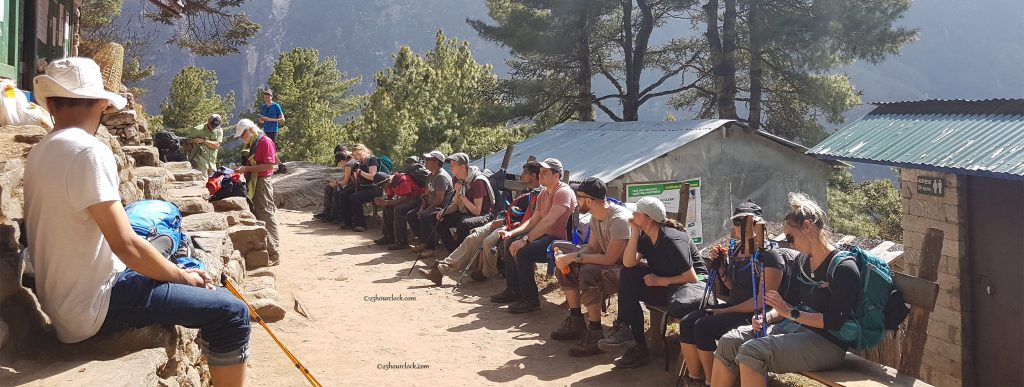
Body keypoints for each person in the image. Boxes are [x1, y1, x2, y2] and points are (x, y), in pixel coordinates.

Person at [25, 57, 250, 386]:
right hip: (94, 306)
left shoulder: (40, 151)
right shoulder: (88, 151)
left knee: (169, 257)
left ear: (50, 103)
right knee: (232, 313)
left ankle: (170, 264)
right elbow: (125, 244)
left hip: (63, 301)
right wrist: (181, 278)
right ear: (102, 104)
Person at [711, 193, 861, 387]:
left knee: (752, 351)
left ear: (807, 227)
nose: (789, 244)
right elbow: (787, 305)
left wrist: (789, 313)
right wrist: (769, 317)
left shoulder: (844, 268)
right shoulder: (802, 262)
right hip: (796, 330)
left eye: (790, 237)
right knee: (729, 342)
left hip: (828, 343)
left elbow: (835, 321)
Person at [677, 201, 789, 383]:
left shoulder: (769, 255)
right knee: (687, 322)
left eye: (742, 222)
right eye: (735, 222)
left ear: (756, 224)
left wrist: (724, 311)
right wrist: (720, 266)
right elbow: (731, 286)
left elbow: (763, 301)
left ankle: (712, 381)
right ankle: (695, 377)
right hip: (734, 307)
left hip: (754, 315)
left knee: (703, 326)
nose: (737, 227)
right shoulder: (736, 250)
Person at [543, 177, 632, 357]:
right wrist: (568, 258)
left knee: (589, 272)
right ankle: (576, 320)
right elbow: (592, 248)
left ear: (589, 200)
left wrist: (576, 257)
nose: (577, 201)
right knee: (566, 266)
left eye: (579, 197)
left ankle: (595, 331)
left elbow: (609, 258)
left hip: (629, 271)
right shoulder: (595, 216)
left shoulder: (619, 219)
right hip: (612, 266)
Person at [419, 161, 542, 286]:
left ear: (533, 176)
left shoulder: (539, 194)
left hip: (511, 226)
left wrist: (508, 225)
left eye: (525, 173)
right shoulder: (528, 191)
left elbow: (531, 220)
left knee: (486, 240)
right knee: (472, 237)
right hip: (504, 222)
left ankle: (487, 272)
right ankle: (440, 270)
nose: (521, 175)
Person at [492, 158, 576, 314]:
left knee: (523, 252)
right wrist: (512, 233)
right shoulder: (544, 192)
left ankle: (531, 300)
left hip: (561, 240)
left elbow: (549, 222)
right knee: (509, 241)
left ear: (556, 175)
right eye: (540, 172)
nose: (541, 175)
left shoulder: (563, 192)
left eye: (545, 172)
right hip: (547, 236)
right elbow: (533, 220)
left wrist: (525, 240)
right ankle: (514, 290)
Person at [234, 118, 281, 265]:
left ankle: (274, 253)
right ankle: (268, 250)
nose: (242, 138)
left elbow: (268, 165)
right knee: (260, 214)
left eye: (242, 134)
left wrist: (246, 169)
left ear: (249, 130)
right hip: (255, 181)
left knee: (265, 214)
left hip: (262, 182)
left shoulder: (264, 142)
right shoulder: (254, 142)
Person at [435, 153, 494, 252]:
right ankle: (453, 251)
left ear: (462, 167)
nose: (451, 168)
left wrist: (462, 195)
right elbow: (455, 206)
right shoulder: (456, 179)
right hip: (466, 211)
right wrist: (443, 212)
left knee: (464, 223)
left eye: (453, 165)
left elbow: (477, 211)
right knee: (441, 220)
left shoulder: (478, 181)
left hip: (484, 214)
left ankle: (458, 255)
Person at [406, 150, 454, 258]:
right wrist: (422, 208)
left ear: (436, 162)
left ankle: (430, 248)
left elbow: (439, 199)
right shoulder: (429, 176)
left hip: (442, 207)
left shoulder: (441, 177)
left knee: (425, 216)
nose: (425, 162)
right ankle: (424, 241)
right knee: (411, 215)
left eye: (428, 160)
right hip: (431, 205)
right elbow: (426, 195)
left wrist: (426, 211)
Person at [373, 157, 426, 246]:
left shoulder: (402, 180)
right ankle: (389, 236)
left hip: (418, 199)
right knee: (387, 208)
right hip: (410, 199)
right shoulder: (390, 185)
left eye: (382, 186)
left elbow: (406, 198)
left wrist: (386, 202)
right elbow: (389, 199)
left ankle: (401, 240)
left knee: (399, 209)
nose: (382, 188)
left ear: (387, 181)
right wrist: (383, 202)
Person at [336, 144, 383, 232]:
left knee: (355, 197)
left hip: (374, 189)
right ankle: (348, 221)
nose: (358, 156)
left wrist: (360, 172)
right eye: (356, 155)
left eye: (359, 154)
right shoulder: (360, 162)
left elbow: (373, 177)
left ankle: (361, 224)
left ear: (364, 150)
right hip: (363, 187)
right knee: (343, 194)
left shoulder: (372, 160)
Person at [313, 147, 353, 221]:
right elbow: (346, 176)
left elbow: (347, 180)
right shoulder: (346, 161)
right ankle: (327, 211)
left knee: (337, 191)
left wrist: (337, 183)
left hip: (352, 184)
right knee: (329, 187)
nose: (340, 164)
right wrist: (336, 182)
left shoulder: (350, 162)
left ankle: (335, 214)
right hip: (348, 182)